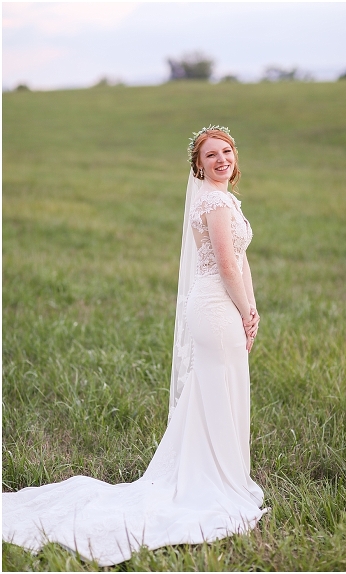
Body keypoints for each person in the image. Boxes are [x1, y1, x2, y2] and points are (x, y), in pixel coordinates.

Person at [3, 125, 266, 566]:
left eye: (226, 151)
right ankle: (216, 482)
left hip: (225, 304)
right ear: (198, 165)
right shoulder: (216, 203)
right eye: (211, 155)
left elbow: (241, 261)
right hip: (217, 307)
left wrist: (252, 308)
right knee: (218, 390)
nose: (221, 159)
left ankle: (217, 473)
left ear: (235, 157)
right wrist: (245, 311)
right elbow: (224, 265)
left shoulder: (223, 200)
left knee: (213, 392)